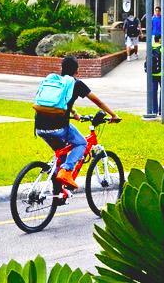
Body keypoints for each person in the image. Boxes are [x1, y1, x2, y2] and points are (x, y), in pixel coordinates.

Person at [35, 57, 122, 188]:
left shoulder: (55, 82)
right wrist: (113, 115)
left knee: (61, 153)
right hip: (58, 128)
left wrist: (74, 113)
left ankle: (57, 191)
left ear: (62, 69)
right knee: (82, 143)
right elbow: (97, 101)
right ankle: (67, 170)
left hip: (40, 127)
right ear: (77, 71)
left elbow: (58, 104)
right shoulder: (76, 83)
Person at [144, 34, 164, 119]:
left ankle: (154, 110)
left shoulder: (150, 47)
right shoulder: (163, 47)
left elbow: (147, 59)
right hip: (162, 73)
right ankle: (161, 110)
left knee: (154, 92)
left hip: (153, 74)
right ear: (160, 39)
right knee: (162, 92)